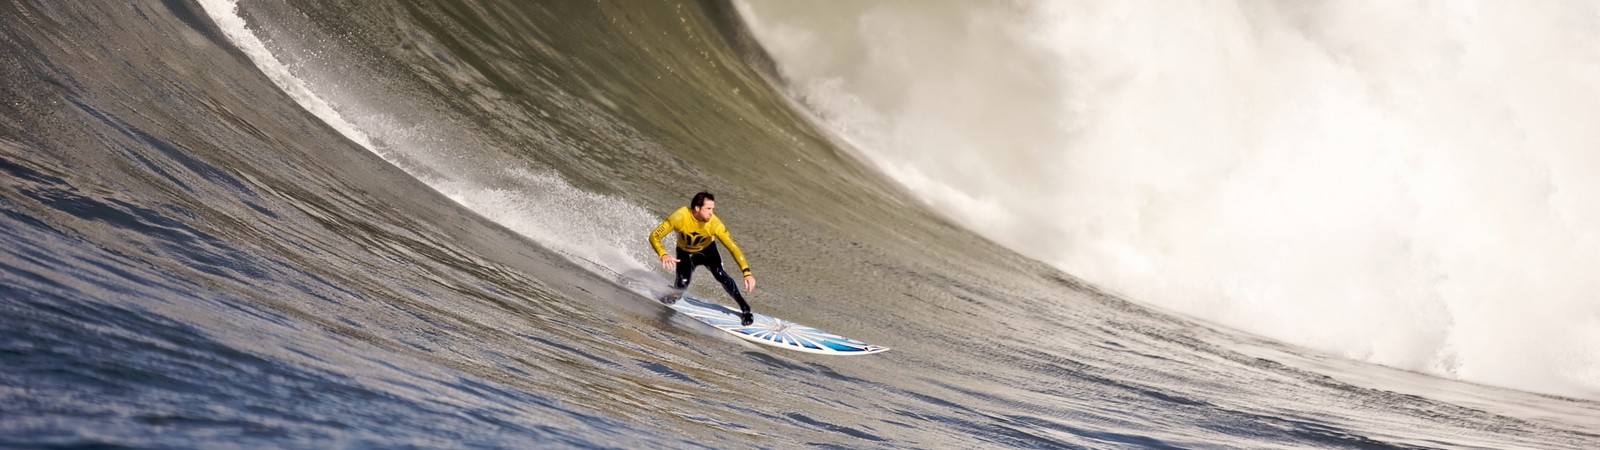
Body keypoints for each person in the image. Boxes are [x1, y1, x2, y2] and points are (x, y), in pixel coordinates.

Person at [649, 192, 757, 326]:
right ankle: (675, 293)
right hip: (685, 252)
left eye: (713, 209)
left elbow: (733, 248)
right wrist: (663, 254)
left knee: (721, 275)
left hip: (707, 251)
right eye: (708, 209)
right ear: (697, 208)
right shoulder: (680, 217)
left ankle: (745, 309)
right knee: (682, 284)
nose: (712, 213)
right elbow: (654, 236)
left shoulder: (715, 224)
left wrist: (747, 272)